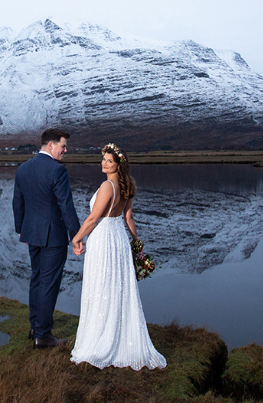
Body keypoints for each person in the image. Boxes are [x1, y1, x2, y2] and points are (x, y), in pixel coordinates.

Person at [70, 143, 167, 369]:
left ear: (118, 164)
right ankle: (118, 334)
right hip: (119, 240)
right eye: (103, 159)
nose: (104, 163)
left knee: (101, 286)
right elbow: (128, 219)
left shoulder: (107, 186)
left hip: (104, 238)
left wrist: (77, 238)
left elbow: (94, 219)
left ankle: (100, 341)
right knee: (117, 287)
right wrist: (136, 242)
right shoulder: (127, 185)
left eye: (109, 161)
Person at [12, 128, 82, 349]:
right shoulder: (57, 171)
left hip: (32, 233)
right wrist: (76, 236)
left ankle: (35, 327)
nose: (65, 150)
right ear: (50, 145)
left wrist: (21, 229)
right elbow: (66, 207)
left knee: (37, 279)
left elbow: (17, 202)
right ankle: (42, 336)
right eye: (63, 146)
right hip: (53, 236)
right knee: (49, 284)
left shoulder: (23, 168)